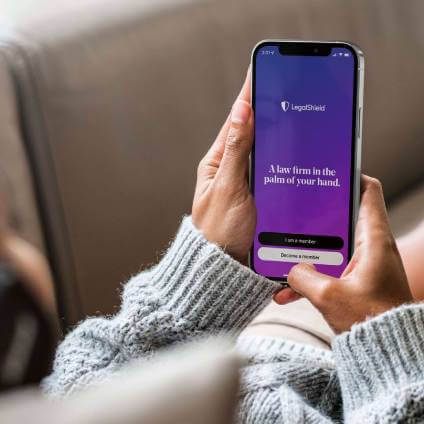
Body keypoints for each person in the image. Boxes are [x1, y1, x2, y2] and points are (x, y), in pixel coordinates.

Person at [38, 68, 424, 422]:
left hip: (269, 353)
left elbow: (75, 389)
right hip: (343, 374)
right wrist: (386, 339)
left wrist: (193, 286)